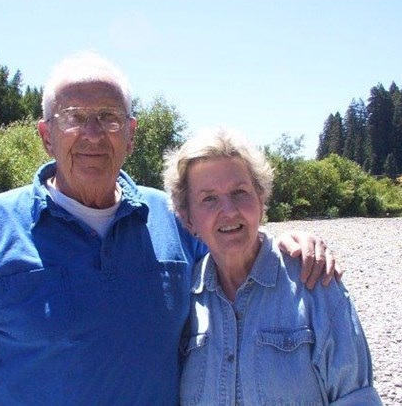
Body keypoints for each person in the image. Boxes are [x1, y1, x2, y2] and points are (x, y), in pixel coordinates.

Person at [0, 52, 338, 405]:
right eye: (74, 117)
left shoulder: (171, 216)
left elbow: (237, 253)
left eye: (109, 118)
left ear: (130, 135)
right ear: (46, 135)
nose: (93, 134)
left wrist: (288, 245)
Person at [163, 127, 382, 405]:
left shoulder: (314, 283)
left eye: (240, 192)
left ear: (261, 200)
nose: (229, 211)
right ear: (188, 219)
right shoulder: (186, 302)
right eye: (209, 199)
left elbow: (355, 398)